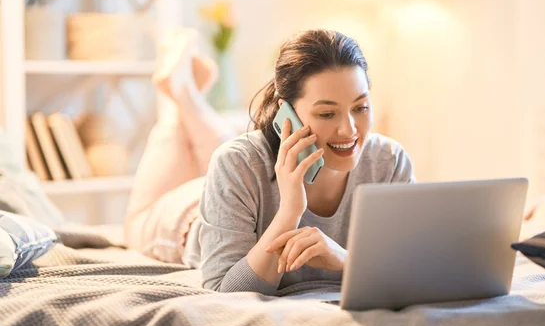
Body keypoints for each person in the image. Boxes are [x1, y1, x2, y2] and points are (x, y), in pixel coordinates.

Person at [124, 29, 415, 295]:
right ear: (286, 111)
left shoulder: (388, 162)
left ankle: (186, 90)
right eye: (327, 114)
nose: (349, 129)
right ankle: (180, 94)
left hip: (241, 182)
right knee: (136, 220)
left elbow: (413, 269)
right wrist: (290, 211)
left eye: (360, 108)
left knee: (233, 151)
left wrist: (344, 259)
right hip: (185, 216)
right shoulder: (236, 163)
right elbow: (225, 290)